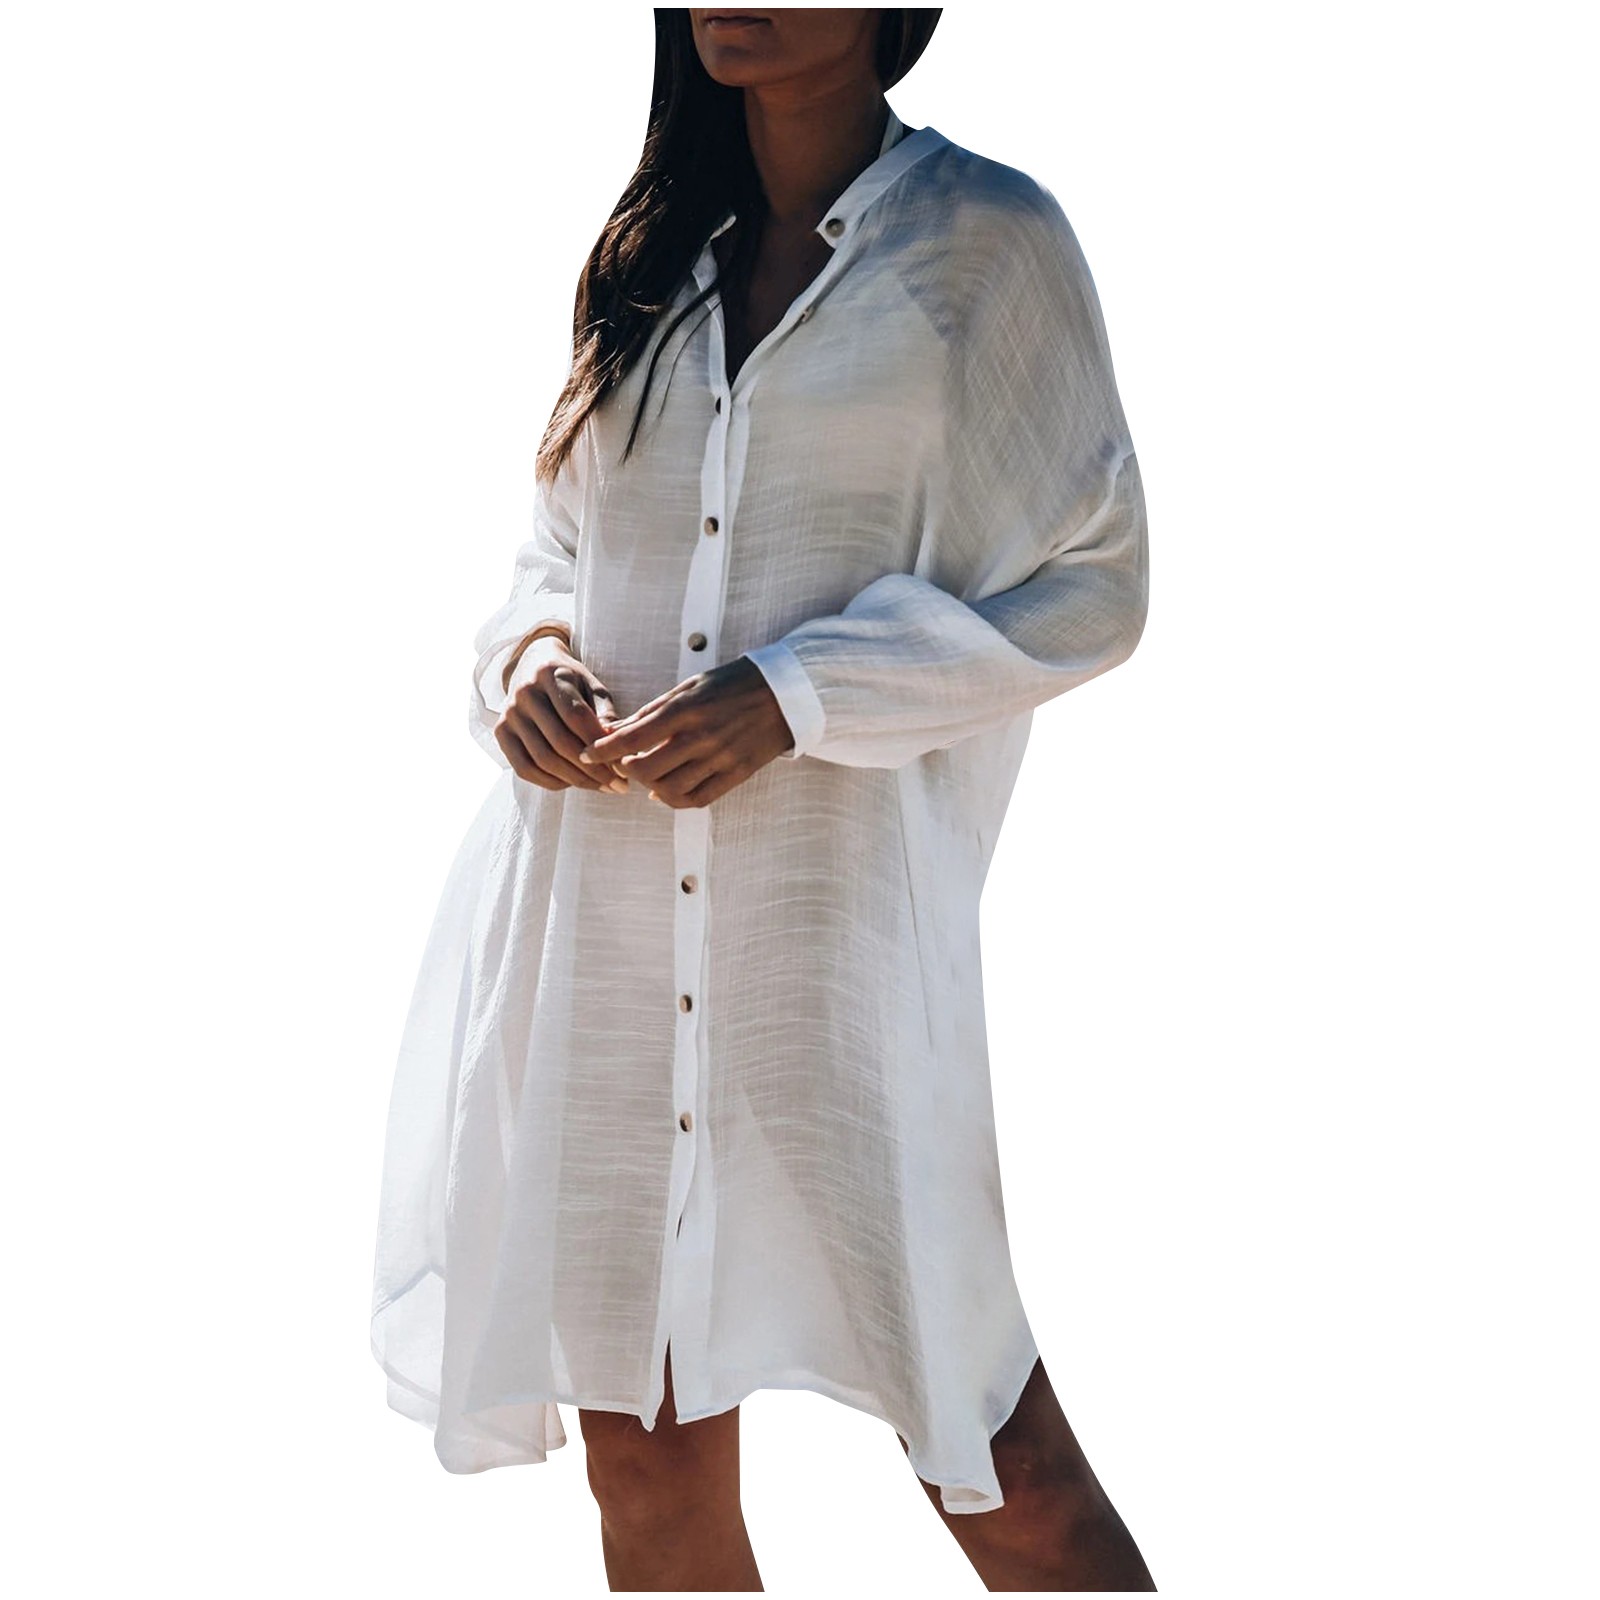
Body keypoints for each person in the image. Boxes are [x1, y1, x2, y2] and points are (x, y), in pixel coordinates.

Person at [370, 8, 1157, 1592]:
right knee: (647, 1470)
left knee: (1000, 1459)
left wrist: (796, 697)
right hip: (598, 938)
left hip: (829, 946)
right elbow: (558, 550)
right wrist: (530, 665)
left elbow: (1094, 584)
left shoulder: (985, 246)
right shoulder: (648, 255)